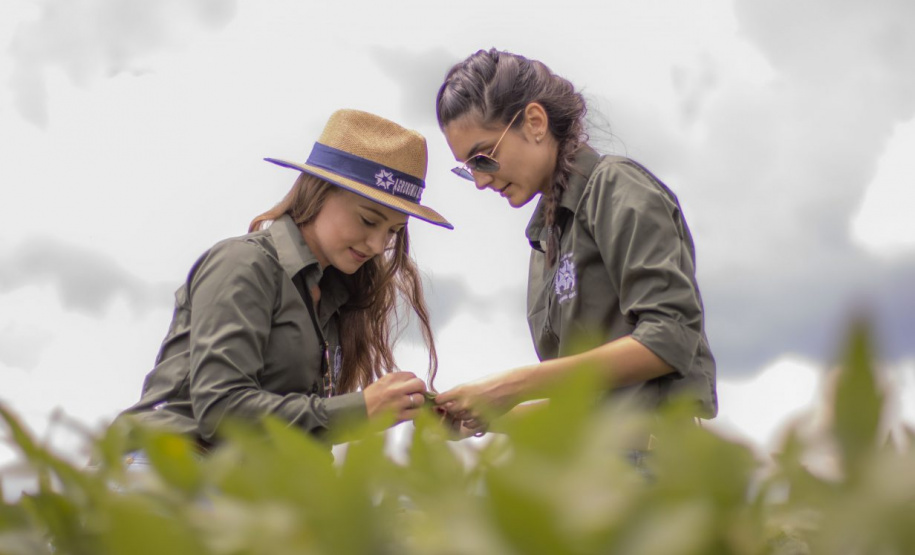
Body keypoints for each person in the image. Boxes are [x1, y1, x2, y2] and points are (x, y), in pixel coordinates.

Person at [117, 109, 452, 454]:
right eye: (368, 220)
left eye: (393, 232)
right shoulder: (245, 264)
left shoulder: (336, 298)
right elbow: (220, 412)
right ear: (319, 191)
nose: (378, 246)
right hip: (164, 472)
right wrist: (358, 410)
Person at [433, 49, 717, 442]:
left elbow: (671, 338)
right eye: (469, 169)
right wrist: (487, 415)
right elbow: (594, 394)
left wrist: (517, 383)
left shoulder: (616, 188)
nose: (481, 182)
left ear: (534, 122)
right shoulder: (547, 236)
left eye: (483, 158)